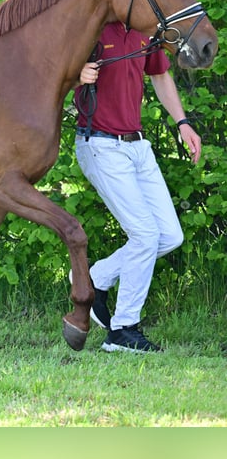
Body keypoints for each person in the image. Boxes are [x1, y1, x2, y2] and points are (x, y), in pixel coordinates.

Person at [73, 20, 202, 353]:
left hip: (138, 147)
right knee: (145, 236)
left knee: (170, 236)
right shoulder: (91, 27)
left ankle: (94, 277)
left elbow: (160, 76)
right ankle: (122, 330)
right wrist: (76, 75)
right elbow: (47, 73)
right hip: (100, 144)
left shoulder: (147, 30)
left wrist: (183, 123)